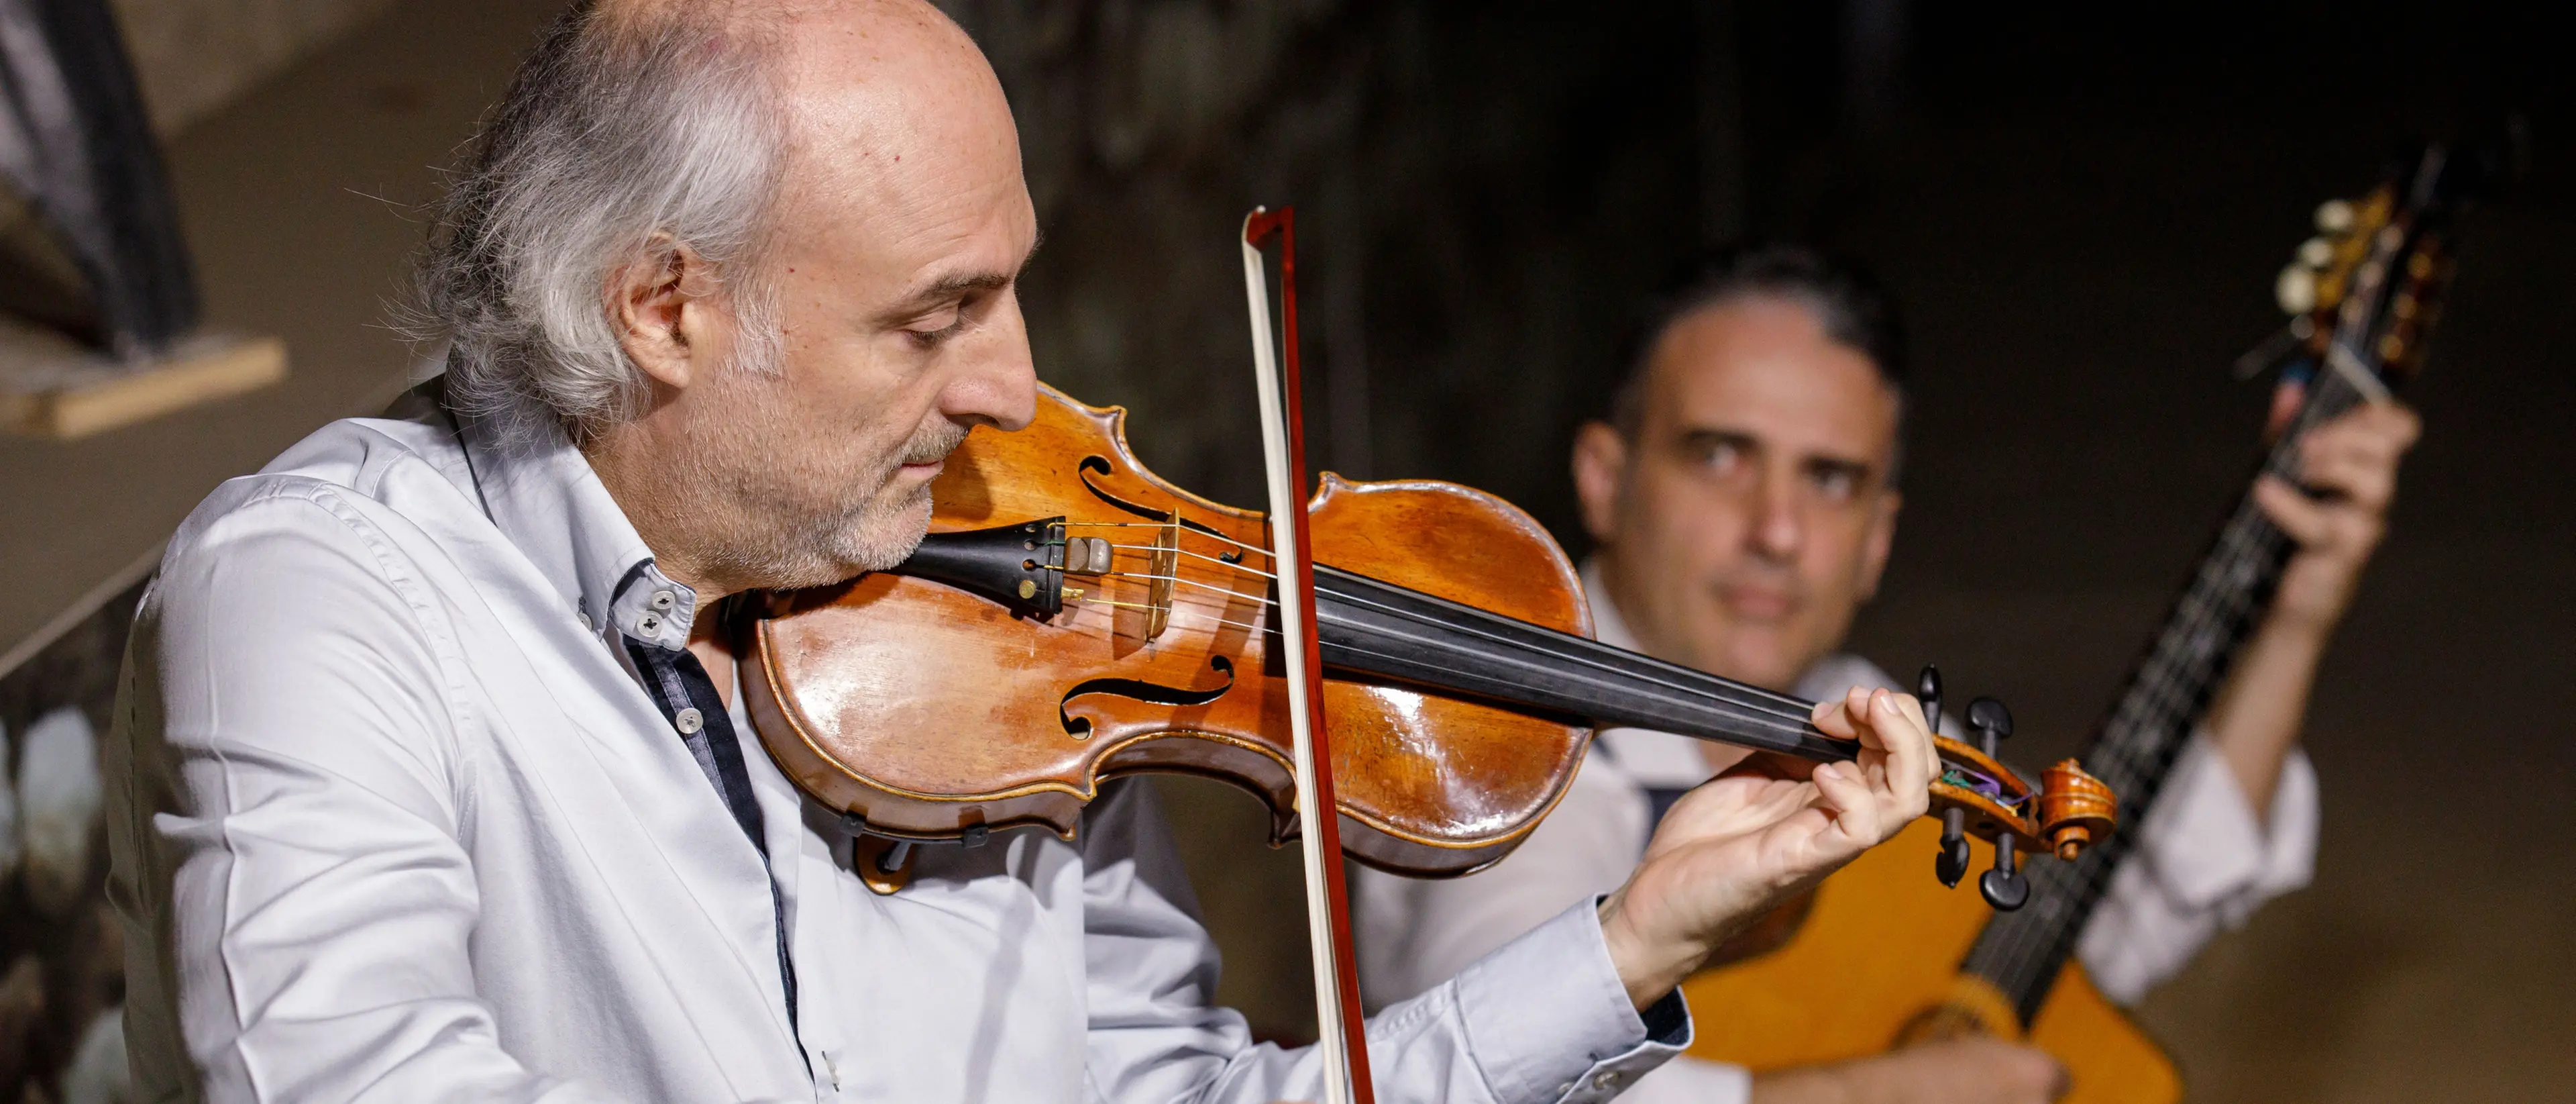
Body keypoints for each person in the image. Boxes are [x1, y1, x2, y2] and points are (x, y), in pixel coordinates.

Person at [101, 5, 1946, 1103]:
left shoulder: (1009, 614)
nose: (1012, 388)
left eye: (1015, 284)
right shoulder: (327, 594)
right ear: (665, 305)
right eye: (938, 314)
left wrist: (1627, 943)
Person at [1352, 245, 2420, 1104]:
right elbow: (1486, 1068)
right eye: (1719, 455)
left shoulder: (1871, 718)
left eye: (1830, 480)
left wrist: (2292, 614)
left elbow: (2084, 944)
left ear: (1877, 539)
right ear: (1604, 477)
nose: (1777, 532)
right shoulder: (1486, 750)